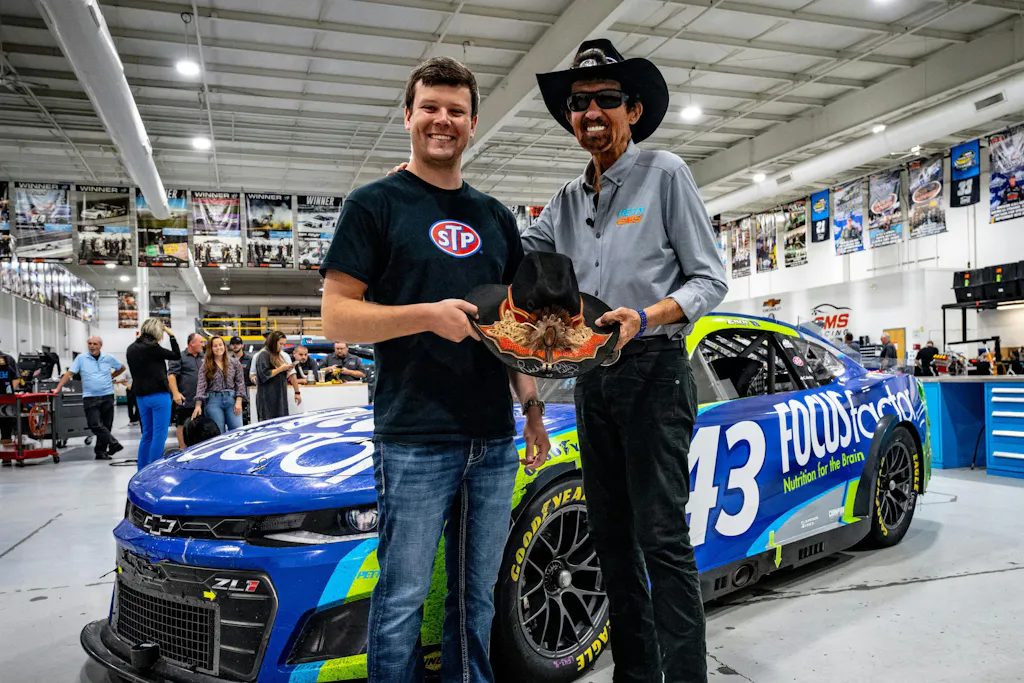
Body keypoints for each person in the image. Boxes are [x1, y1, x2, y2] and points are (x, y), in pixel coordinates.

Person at [320, 56, 549, 683]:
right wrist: (425, 315)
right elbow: (336, 317)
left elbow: (514, 329)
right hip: (414, 439)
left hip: (493, 442)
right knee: (402, 600)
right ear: (408, 116)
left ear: (473, 123)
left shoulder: (495, 217)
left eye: (455, 110)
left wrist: (531, 408)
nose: (442, 120)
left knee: (476, 600)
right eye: (430, 108)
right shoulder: (374, 204)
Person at [521, 39, 728, 683]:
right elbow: (510, 252)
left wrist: (646, 315)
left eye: (606, 99)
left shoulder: (665, 173)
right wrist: (445, 203)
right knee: (610, 542)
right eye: (578, 103)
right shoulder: (565, 200)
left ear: (633, 110)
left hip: (654, 371)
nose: (590, 113)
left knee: (661, 541)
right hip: (592, 380)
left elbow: (710, 279)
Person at [54, 336, 126, 460]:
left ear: (100, 346)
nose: (92, 346)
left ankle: (101, 452)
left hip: (107, 395)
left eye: (95, 344)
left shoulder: (108, 358)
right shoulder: (81, 358)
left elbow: (122, 368)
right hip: (90, 397)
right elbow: (69, 373)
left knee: (107, 425)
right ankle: (113, 443)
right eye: (90, 343)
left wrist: (111, 376)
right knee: (94, 424)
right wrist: (58, 387)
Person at [126, 318, 180, 470]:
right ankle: (154, 469)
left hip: (141, 397)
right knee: (159, 435)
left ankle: (142, 469)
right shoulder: (153, 348)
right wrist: (171, 335)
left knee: (147, 434)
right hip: (159, 395)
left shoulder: (131, 348)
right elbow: (176, 355)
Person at [192, 337, 246, 433]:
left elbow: (240, 383)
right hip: (213, 401)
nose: (218, 348)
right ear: (211, 348)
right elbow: (201, 386)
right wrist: (198, 405)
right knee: (218, 432)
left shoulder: (235, 363)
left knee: (237, 431)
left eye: (220, 345)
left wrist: (239, 402)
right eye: (215, 346)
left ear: (224, 346)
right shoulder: (205, 365)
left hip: (232, 400)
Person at [168, 333, 204, 450]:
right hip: (186, 397)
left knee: (200, 424)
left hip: (202, 398)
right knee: (183, 424)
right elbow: (171, 376)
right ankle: (183, 449)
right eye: (201, 342)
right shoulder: (179, 357)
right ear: (192, 343)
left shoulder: (204, 357)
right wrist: (176, 393)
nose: (203, 344)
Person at [254, 331, 301, 421]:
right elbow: (265, 374)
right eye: (280, 344)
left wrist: (288, 369)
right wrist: (281, 368)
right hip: (268, 398)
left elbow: (280, 374)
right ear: (273, 342)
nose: (282, 347)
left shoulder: (278, 355)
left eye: (284, 344)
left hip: (279, 396)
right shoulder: (263, 355)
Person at [0, 343, 22, 461]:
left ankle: (6, 456)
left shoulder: (8, 360)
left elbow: (16, 378)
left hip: (5, 400)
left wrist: (8, 392)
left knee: (6, 427)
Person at [228, 335, 254, 425]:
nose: (235, 346)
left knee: (247, 420)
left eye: (238, 344)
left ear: (242, 345)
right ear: (230, 346)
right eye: (233, 344)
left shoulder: (250, 359)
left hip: (247, 394)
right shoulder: (228, 361)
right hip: (233, 395)